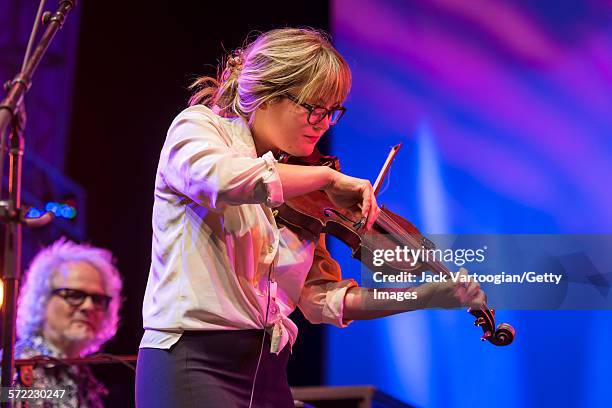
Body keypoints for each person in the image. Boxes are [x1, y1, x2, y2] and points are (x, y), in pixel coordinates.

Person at [136, 28, 486, 408]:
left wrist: (426, 295)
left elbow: (322, 299)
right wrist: (328, 178)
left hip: (267, 372)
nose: (322, 122)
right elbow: (223, 180)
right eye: (313, 107)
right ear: (267, 94)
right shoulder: (199, 129)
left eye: (332, 111)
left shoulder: (301, 188)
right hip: (193, 359)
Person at [11, 238, 123, 407]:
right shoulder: (14, 369)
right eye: (74, 295)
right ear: (41, 299)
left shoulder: (83, 375)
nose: (88, 306)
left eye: (98, 299)